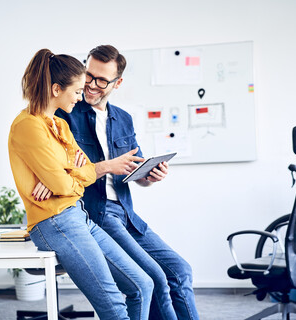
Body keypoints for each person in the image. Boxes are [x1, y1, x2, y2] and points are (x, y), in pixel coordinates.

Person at [55, 45, 200, 320]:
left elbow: (134, 172)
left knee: (181, 271)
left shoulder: (123, 119)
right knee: (155, 279)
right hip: (95, 213)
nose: (91, 84)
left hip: (126, 213)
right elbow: (61, 171)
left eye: (102, 80)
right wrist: (107, 166)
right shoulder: (67, 112)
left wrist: (149, 176)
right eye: (88, 74)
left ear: (117, 83)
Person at [8, 48, 154, 320]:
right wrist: (68, 178)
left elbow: (78, 171)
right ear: (55, 89)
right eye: (76, 91)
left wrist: (67, 178)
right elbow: (66, 183)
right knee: (114, 306)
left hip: (78, 215)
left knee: (143, 285)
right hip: (54, 222)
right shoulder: (27, 125)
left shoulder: (60, 127)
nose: (81, 96)